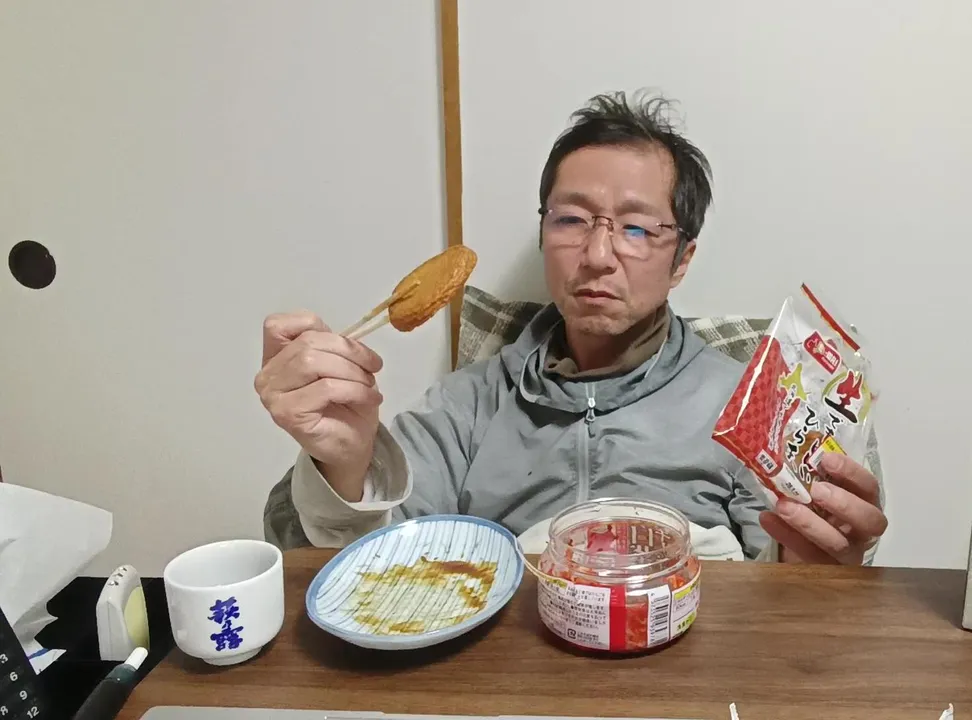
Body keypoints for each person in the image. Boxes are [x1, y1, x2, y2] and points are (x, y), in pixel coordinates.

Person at [255, 91, 888, 564]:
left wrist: (817, 562)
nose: (598, 255)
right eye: (571, 220)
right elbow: (373, 566)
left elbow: (783, 589)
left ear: (682, 259)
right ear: (543, 233)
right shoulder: (469, 405)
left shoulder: (750, 407)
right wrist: (343, 464)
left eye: (636, 227)